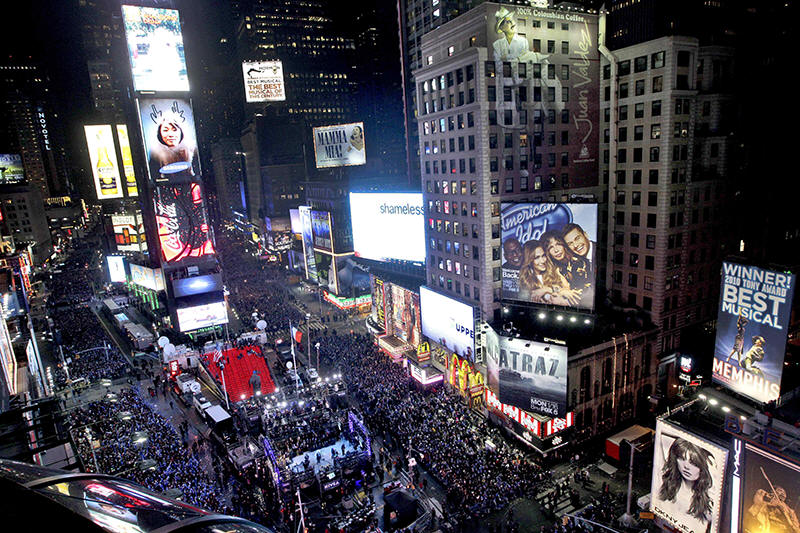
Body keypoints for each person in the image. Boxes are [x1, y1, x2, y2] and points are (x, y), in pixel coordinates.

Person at [657, 433, 716, 532]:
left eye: (693, 462)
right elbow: (661, 433)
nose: (686, 466)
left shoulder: (708, 501)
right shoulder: (665, 483)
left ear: (702, 467)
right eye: (681, 458)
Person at [517, 240, 580, 306]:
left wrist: (547, 289)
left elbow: (568, 292)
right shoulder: (525, 280)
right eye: (537, 258)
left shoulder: (554, 271)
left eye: (543, 255)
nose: (542, 261)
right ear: (529, 260)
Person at [147, 102, 197, 178]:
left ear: (181, 131)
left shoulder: (193, 148)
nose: (170, 134)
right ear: (160, 133)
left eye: (174, 130)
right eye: (165, 130)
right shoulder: (155, 153)